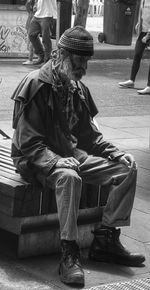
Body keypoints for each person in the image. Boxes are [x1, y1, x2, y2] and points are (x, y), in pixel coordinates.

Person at [11, 26, 145, 287]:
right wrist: (56, 161)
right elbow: (28, 142)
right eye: (79, 60)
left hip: (71, 155)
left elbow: (90, 137)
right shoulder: (36, 84)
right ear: (60, 54)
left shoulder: (78, 88)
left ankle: (105, 239)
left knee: (127, 168)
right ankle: (69, 253)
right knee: (70, 178)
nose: (83, 67)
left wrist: (116, 153)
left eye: (86, 61)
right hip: (37, 160)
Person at [119, 0, 150, 95]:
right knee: (137, 54)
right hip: (143, 31)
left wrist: (148, 35)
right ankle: (131, 81)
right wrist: (138, 23)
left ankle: (149, 86)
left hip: (148, 32)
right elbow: (143, 13)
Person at [28, 0, 57, 65]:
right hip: (38, 14)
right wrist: (36, 3)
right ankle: (41, 55)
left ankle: (47, 60)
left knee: (45, 38)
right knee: (31, 34)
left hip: (48, 15)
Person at [23, 0, 37, 65]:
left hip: (32, 24)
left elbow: (28, 8)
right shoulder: (31, 4)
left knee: (31, 43)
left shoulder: (32, 5)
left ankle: (30, 59)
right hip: (31, 23)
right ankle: (31, 58)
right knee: (30, 43)